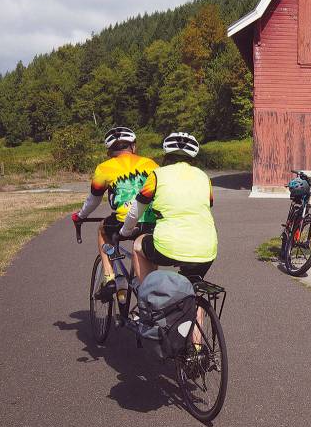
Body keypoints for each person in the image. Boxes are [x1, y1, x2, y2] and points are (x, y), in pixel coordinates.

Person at [119, 132, 218, 286]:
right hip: (206, 247)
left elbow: (135, 210)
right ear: (193, 158)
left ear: (166, 156)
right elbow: (207, 205)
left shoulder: (157, 175)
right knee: (192, 291)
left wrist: (125, 231)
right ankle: (197, 308)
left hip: (169, 246)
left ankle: (149, 297)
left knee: (138, 244)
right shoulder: (204, 177)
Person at [71, 127, 158, 300]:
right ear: (133, 146)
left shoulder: (104, 168)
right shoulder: (151, 164)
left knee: (103, 229)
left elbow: (93, 200)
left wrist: (80, 216)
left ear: (110, 151)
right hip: (150, 219)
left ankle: (109, 278)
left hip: (123, 222)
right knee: (148, 248)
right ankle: (148, 290)